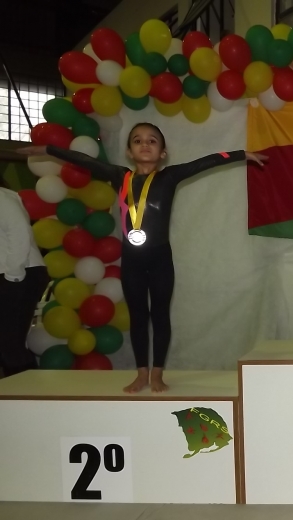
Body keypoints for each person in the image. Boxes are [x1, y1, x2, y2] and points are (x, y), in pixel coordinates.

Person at [17, 123, 267, 392]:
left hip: (160, 258)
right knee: (138, 316)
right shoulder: (119, 175)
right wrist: (49, 149)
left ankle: (157, 373)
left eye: (152, 141)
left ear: (163, 153)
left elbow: (205, 162)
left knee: (160, 315)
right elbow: (84, 160)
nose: (145, 144)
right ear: (129, 152)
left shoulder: (169, 176)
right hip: (132, 259)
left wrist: (242, 154)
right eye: (137, 140)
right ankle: (141, 373)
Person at [0, 178, 49, 377]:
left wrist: (13, 276)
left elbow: (19, 232)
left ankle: (30, 393)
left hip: (21, 274)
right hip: (14, 274)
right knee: (8, 344)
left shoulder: (2, 197)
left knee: (9, 344)